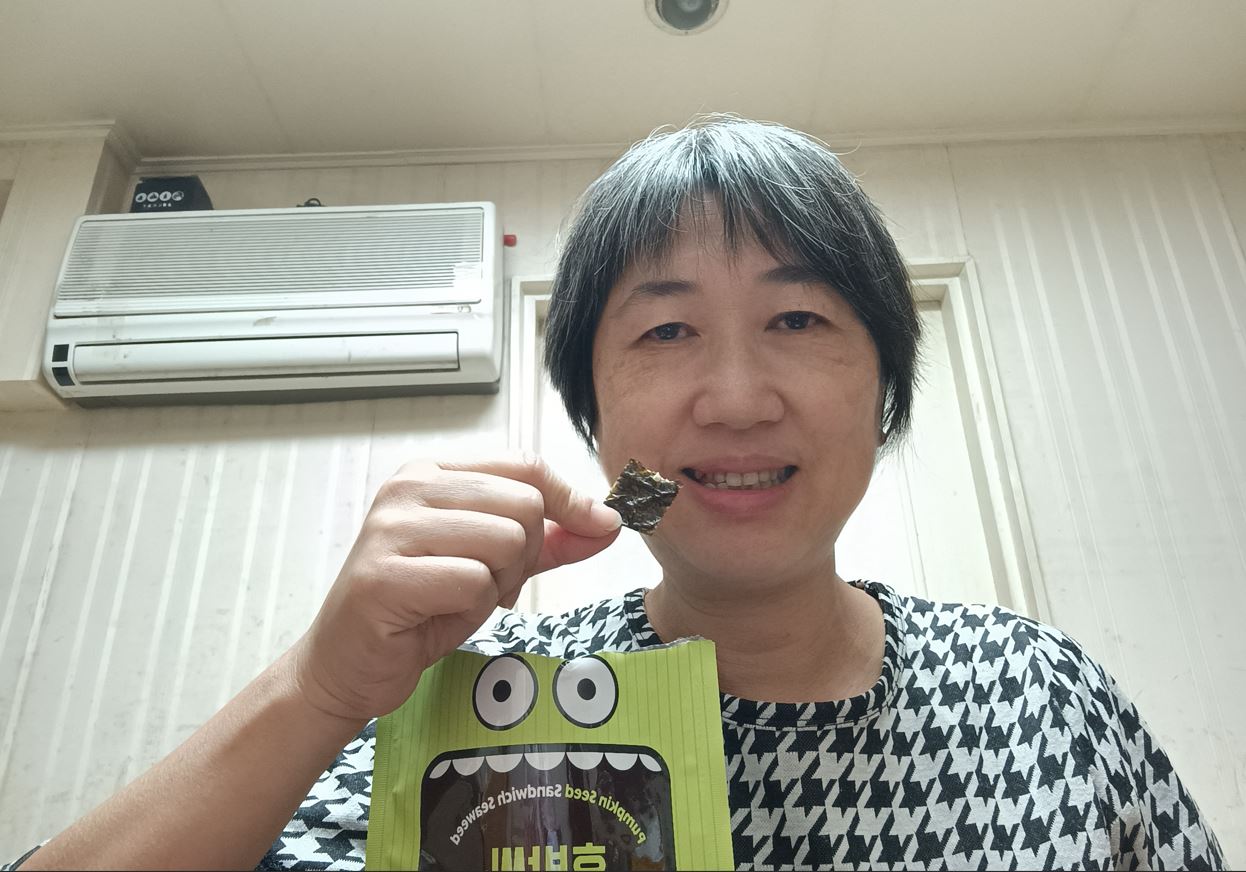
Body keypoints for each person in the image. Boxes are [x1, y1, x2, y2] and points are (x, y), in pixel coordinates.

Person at [7, 116, 1224, 871]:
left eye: (799, 319)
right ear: (595, 422)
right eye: (665, 331)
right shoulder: (489, 701)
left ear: (884, 390)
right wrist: (316, 688)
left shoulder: (1041, 690)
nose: (735, 397)